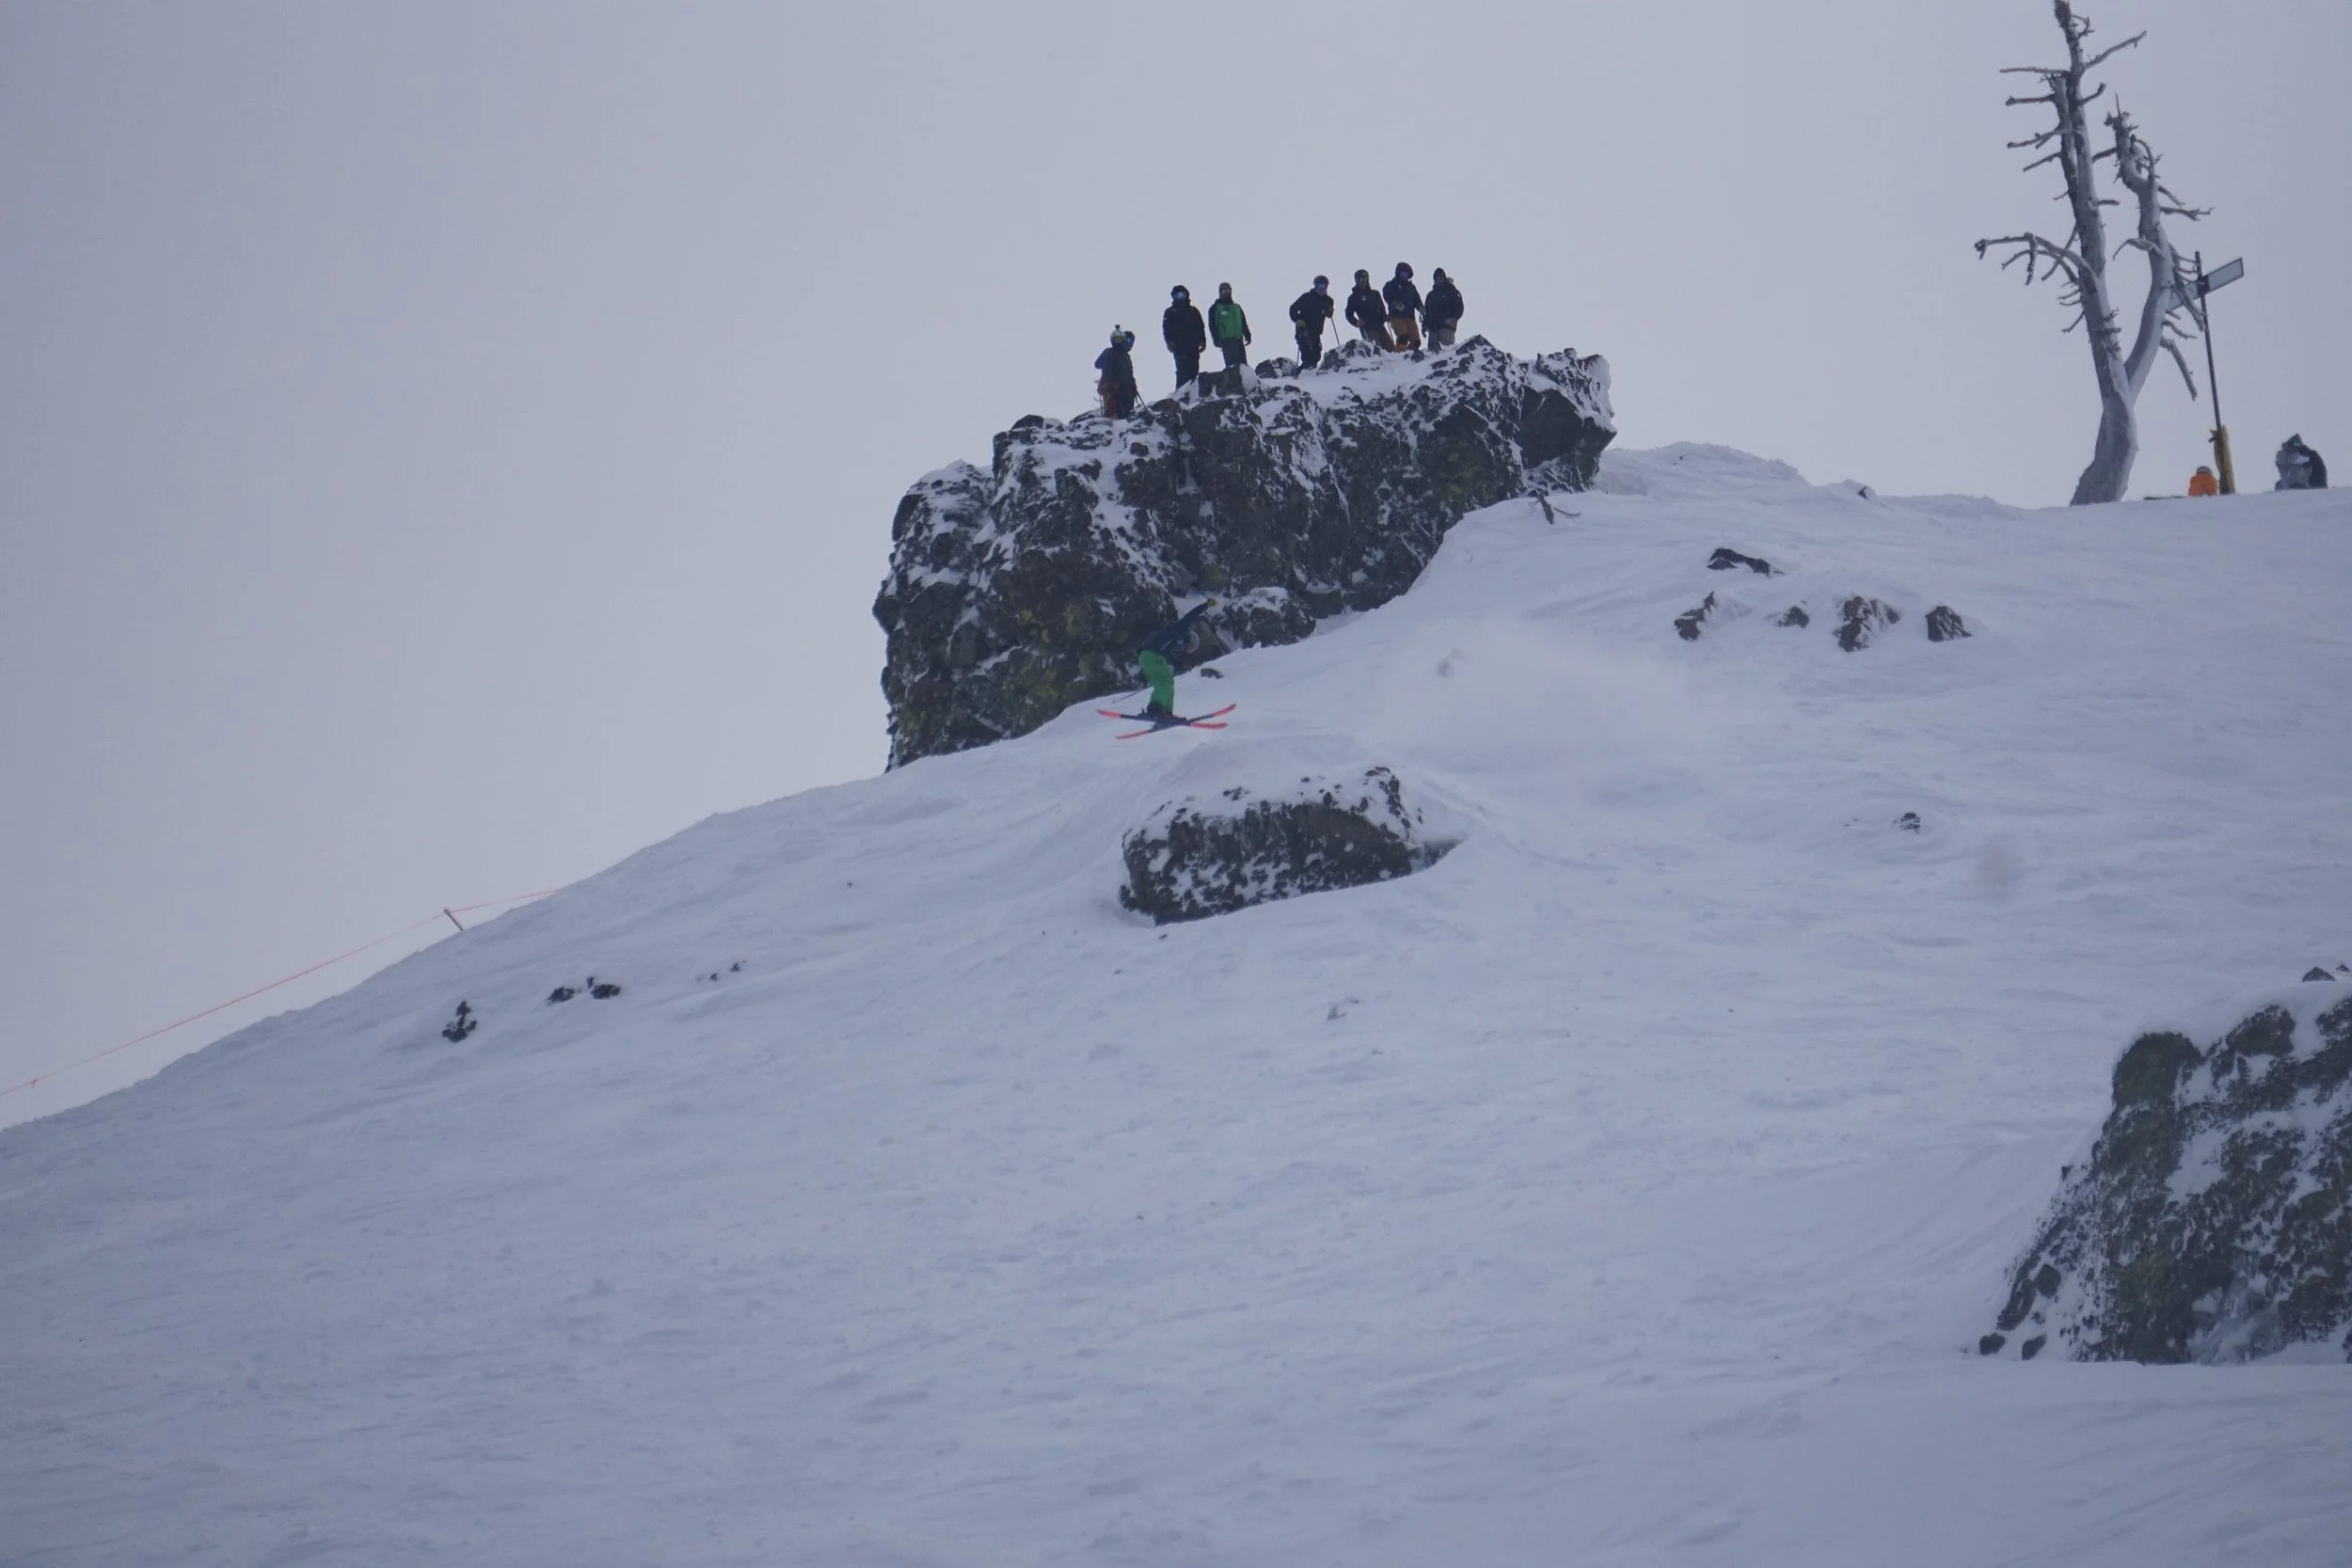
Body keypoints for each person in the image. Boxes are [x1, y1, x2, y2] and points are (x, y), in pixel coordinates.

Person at [1137, 598, 1216, 720]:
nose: (1184, 648)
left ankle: (1165, 712)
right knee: (1166, 682)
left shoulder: (1172, 645)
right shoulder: (1181, 629)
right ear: (1189, 639)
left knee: (1167, 683)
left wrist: (1182, 665)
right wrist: (1206, 605)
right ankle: (1155, 709)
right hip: (1151, 655)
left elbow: (1170, 659)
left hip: (1148, 657)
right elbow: (1191, 616)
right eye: (1188, 646)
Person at [1162, 285, 1206, 390]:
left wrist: (1202, 340)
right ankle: (1181, 393)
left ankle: (1193, 392)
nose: (1181, 297)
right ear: (1173, 297)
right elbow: (1166, 329)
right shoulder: (1170, 312)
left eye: (1183, 295)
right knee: (1182, 370)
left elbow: (1200, 326)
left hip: (1193, 345)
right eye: (1178, 295)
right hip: (1179, 346)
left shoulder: (1193, 310)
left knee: (1194, 369)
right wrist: (1169, 342)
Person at [1289, 275, 1336, 371]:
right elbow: (1293, 308)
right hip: (1303, 328)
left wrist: (1330, 312)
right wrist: (1297, 320)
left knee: (1316, 355)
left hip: (1316, 331)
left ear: (1326, 286)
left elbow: (1328, 314)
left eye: (1323, 286)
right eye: (1319, 286)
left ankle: (1308, 372)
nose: (1321, 288)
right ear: (1315, 286)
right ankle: (1303, 372)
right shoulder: (1306, 297)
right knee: (1306, 352)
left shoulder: (1329, 300)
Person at [1094, 327, 1138, 418]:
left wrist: (1133, 385)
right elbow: (1097, 364)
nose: (1129, 343)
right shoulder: (1109, 352)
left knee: (1127, 412)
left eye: (1131, 341)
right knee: (1112, 411)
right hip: (1112, 386)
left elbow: (1129, 373)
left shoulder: (1126, 356)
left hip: (1127, 388)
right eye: (1127, 340)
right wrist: (1108, 366)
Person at [1208, 283, 1251, 371]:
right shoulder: (1215, 308)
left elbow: (1243, 323)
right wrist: (1216, 339)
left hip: (1238, 340)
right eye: (1223, 290)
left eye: (1228, 290)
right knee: (1232, 367)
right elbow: (1212, 326)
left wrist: (1247, 335)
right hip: (1226, 341)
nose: (1226, 292)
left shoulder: (1237, 307)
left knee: (1243, 366)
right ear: (1220, 292)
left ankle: (1245, 379)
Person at [1344, 269, 1391, 350]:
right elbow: (1348, 313)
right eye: (1360, 279)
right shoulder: (1353, 298)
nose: (1363, 282)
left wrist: (1385, 317)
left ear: (1368, 279)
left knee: (1391, 349)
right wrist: (1356, 322)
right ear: (1356, 281)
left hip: (1380, 326)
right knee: (1376, 349)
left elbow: (1382, 308)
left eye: (1365, 279)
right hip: (1367, 328)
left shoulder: (1375, 294)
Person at [1383, 262, 1423, 352]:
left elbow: (1417, 300)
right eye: (1403, 273)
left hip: (1410, 317)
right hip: (1396, 316)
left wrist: (1421, 308)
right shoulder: (1391, 285)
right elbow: (1387, 296)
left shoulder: (1411, 287)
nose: (1405, 275)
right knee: (1403, 336)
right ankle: (1400, 354)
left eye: (1406, 274)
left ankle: (1411, 354)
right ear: (1398, 273)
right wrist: (1394, 304)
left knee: (1416, 341)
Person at [1423, 267, 1464, 348]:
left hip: (1447, 326)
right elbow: (1426, 312)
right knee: (1432, 352)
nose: (1438, 280)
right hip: (1433, 328)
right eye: (1436, 278)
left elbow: (1459, 307)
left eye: (1440, 278)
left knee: (1447, 351)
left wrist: (1454, 319)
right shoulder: (1430, 295)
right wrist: (1424, 325)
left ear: (1444, 279)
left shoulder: (1452, 292)